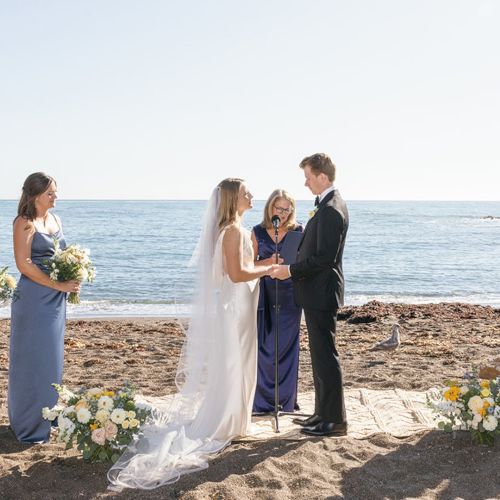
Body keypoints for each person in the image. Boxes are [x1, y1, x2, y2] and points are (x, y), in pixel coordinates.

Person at [108, 178, 276, 490]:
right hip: (235, 308)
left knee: (239, 364)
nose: (252, 195)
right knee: (235, 366)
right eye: (245, 192)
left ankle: (237, 422)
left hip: (239, 306)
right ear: (232, 199)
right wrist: (266, 270)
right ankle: (227, 423)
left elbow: (236, 269)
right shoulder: (234, 231)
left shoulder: (233, 229)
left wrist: (264, 262)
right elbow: (237, 274)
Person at [271, 153, 349, 437]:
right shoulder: (326, 204)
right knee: (318, 356)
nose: (305, 183)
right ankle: (322, 413)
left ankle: (336, 421)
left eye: (307, 177)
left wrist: (289, 270)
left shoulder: (331, 209)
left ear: (322, 177)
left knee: (326, 356)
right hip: (316, 293)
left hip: (322, 293)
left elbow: (323, 259)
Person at [8, 173, 80, 443]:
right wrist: (57, 284)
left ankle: (47, 416)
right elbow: (24, 264)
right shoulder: (24, 223)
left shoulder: (55, 220)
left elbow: (61, 255)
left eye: (55, 192)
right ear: (35, 195)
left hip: (55, 299)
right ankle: (28, 424)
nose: (55, 197)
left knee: (51, 358)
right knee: (31, 359)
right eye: (50, 193)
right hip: (34, 299)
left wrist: (74, 273)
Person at [251, 189, 303, 413]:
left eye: (285, 209)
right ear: (269, 208)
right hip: (265, 293)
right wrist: (267, 262)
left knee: (287, 348)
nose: (281, 213)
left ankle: (285, 401)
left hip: (291, 295)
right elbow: (248, 266)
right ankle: (262, 402)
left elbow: (305, 263)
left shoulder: (298, 231)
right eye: (277, 208)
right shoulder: (258, 232)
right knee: (265, 346)